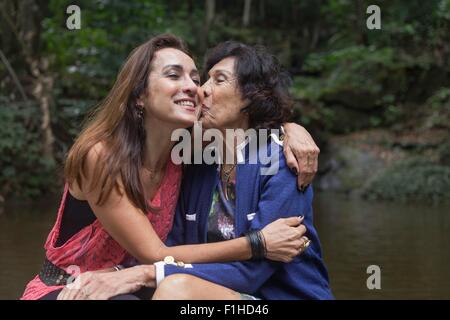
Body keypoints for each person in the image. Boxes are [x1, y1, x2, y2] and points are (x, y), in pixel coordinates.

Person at [21, 34, 319, 300]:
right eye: (175, 76)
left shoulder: (202, 155)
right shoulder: (111, 156)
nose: (196, 88)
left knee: (173, 290)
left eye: (200, 78)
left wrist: (288, 129)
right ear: (139, 95)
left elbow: (250, 128)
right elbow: (162, 252)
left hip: (159, 285)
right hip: (74, 286)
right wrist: (257, 243)